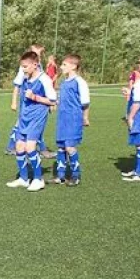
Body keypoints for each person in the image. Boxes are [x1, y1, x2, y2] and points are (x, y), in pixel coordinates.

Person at [6, 51, 57, 192]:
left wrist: (35, 97)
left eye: (25, 66)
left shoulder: (44, 79)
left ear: (35, 65)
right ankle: (23, 178)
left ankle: (38, 179)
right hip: (24, 117)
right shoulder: (25, 77)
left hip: (37, 118)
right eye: (22, 67)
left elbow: (53, 100)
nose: (23, 69)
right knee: (19, 147)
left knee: (30, 147)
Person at [7, 44, 54, 158]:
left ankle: (40, 149)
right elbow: (17, 85)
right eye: (36, 51)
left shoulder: (38, 67)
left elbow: (47, 91)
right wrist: (14, 101)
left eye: (40, 51)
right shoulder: (25, 68)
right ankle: (11, 146)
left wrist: (49, 102)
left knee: (34, 128)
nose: (39, 53)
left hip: (38, 106)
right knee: (21, 125)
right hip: (27, 105)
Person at [49, 54, 90, 186]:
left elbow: (85, 102)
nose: (61, 67)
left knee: (70, 147)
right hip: (63, 119)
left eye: (64, 65)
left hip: (73, 118)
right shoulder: (63, 82)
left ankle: (76, 175)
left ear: (73, 66)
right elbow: (62, 99)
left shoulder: (80, 82)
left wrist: (85, 117)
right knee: (61, 147)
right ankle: (60, 176)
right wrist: (55, 104)